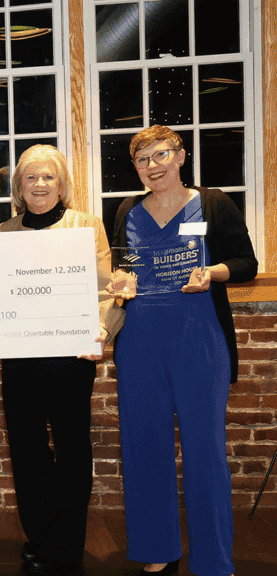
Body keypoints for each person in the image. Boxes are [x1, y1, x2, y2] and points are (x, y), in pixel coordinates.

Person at [112, 125, 256, 576]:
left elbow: (246, 263)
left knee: (204, 451)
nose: (153, 166)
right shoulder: (125, 211)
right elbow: (122, 267)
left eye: (161, 155)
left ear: (181, 156)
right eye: (143, 159)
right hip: (138, 342)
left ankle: (213, 559)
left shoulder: (214, 203)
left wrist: (212, 272)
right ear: (135, 168)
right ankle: (158, 549)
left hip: (199, 338)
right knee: (144, 446)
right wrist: (119, 283)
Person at [0, 145, 127, 575]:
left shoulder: (87, 226)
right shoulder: (2, 232)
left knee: (72, 451)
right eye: (31, 177)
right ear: (19, 185)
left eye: (48, 177)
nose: (39, 184)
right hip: (20, 360)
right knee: (28, 452)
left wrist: (102, 334)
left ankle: (64, 546)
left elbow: (107, 289)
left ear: (61, 184)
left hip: (72, 357)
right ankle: (40, 536)